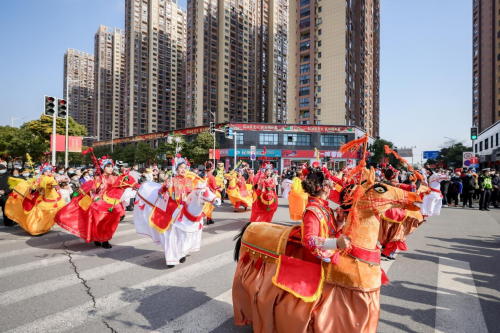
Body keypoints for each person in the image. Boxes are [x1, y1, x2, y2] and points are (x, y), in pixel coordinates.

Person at [301, 167, 350, 264]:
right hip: (317, 262)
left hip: (330, 253)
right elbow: (309, 240)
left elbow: (330, 231)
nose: (331, 188)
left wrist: (339, 220)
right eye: (329, 185)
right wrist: (335, 243)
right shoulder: (312, 211)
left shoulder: (326, 208)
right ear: (324, 188)